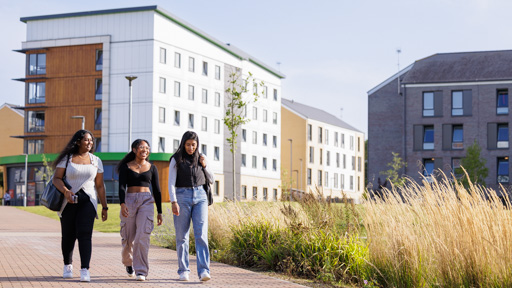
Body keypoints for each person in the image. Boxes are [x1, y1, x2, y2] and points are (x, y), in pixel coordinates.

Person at [52, 129, 108, 282]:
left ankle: (85, 269)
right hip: (68, 201)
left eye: (91, 140)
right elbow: (56, 179)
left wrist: (104, 206)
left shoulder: (96, 160)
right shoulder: (67, 158)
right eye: (86, 140)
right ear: (78, 142)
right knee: (68, 235)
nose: (90, 143)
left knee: (85, 234)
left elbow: (100, 185)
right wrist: (65, 191)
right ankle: (67, 265)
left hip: (88, 201)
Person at [168, 131, 214, 282]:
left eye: (193, 145)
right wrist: (173, 201)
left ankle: (204, 271)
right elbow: (171, 183)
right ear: (183, 144)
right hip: (182, 196)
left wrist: (205, 165)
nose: (190, 148)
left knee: (201, 235)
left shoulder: (201, 158)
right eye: (188, 144)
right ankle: (183, 270)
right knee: (182, 236)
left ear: (197, 145)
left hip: (200, 196)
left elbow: (212, 179)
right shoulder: (176, 159)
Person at [117, 139, 163, 281]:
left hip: (146, 201)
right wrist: (122, 204)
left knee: (142, 236)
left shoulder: (152, 167)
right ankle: (128, 262)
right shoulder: (126, 167)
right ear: (134, 149)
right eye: (142, 147)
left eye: (147, 148)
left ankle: (141, 271)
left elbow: (157, 190)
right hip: (129, 200)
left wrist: (160, 211)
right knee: (128, 239)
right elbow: (121, 187)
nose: (145, 150)